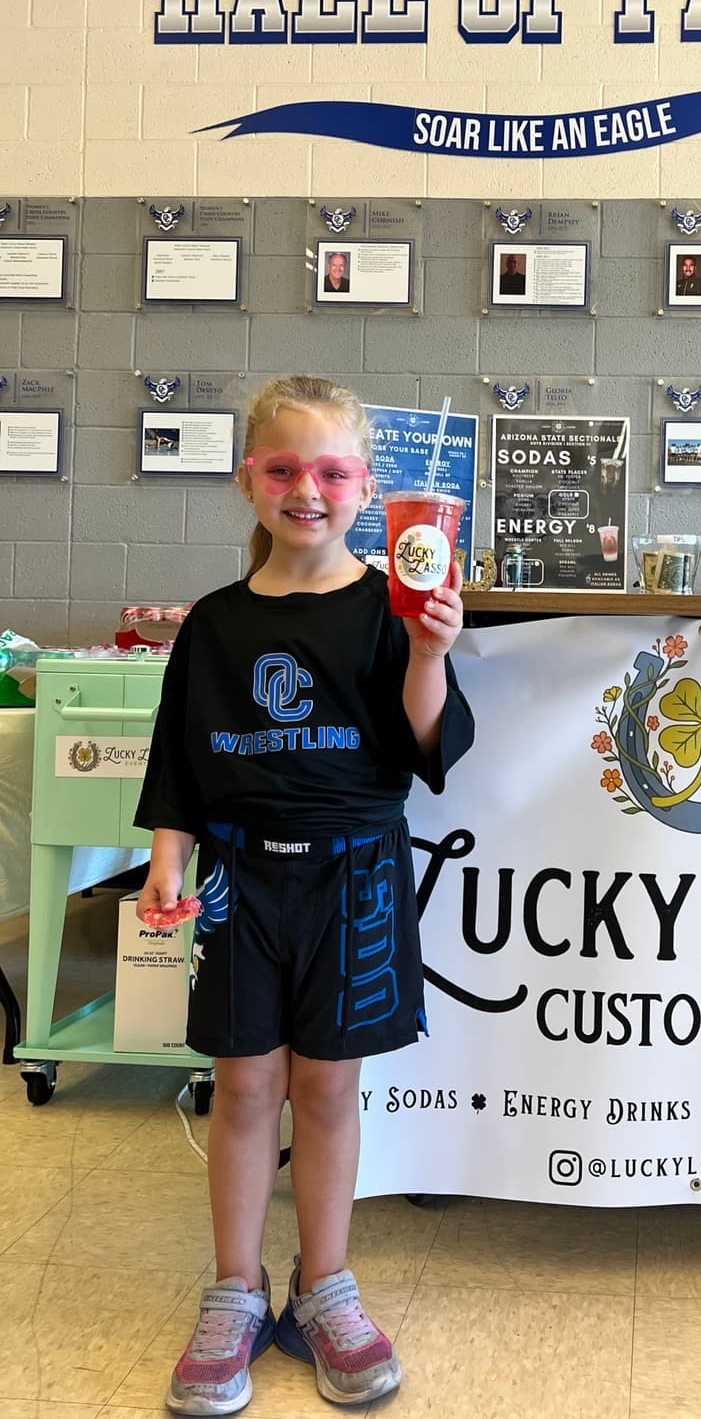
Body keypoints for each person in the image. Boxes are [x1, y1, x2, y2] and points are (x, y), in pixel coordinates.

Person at [135, 374, 473, 1414]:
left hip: (356, 880)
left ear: (366, 487)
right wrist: (165, 862)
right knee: (244, 1090)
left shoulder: (392, 606)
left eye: (331, 471)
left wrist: (428, 653)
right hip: (239, 879)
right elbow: (179, 765)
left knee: (327, 1091)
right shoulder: (216, 625)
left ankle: (323, 1284)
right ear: (249, 481)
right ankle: (237, 1288)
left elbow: (428, 748)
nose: (307, 488)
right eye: (283, 468)